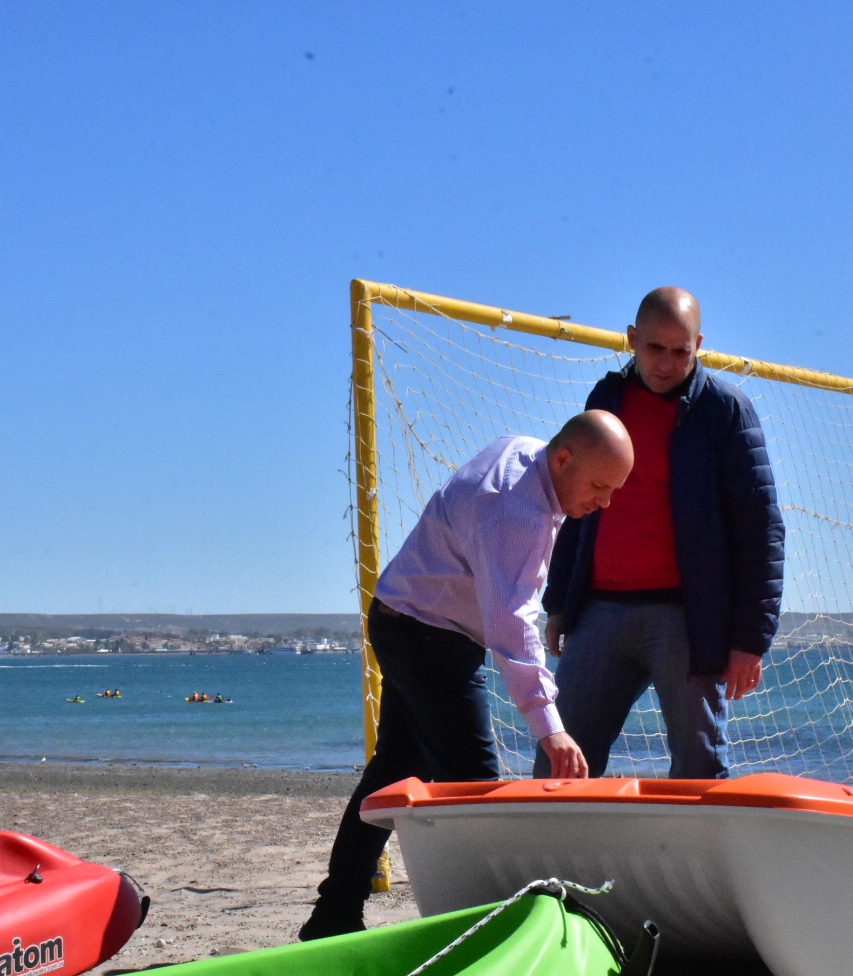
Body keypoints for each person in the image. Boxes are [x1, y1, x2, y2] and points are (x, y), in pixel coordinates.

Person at [298, 409, 635, 941]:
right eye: (599, 486)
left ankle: (333, 913)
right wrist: (551, 727)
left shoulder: (530, 455)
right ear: (564, 458)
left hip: (405, 617)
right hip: (427, 632)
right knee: (474, 784)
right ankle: (485, 931)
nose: (605, 503)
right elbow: (512, 625)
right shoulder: (514, 513)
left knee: (393, 771)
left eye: (615, 490)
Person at [532, 287, 784, 781]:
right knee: (557, 765)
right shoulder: (605, 399)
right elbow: (572, 503)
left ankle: (697, 862)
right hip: (599, 613)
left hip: (688, 622)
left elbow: (762, 531)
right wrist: (559, 601)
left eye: (680, 351)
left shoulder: (726, 410)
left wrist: (750, 641)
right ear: (631, 339)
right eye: (654, 348)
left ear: (698, 346)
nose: (667, 363)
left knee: (698, 771)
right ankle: (556, 859)